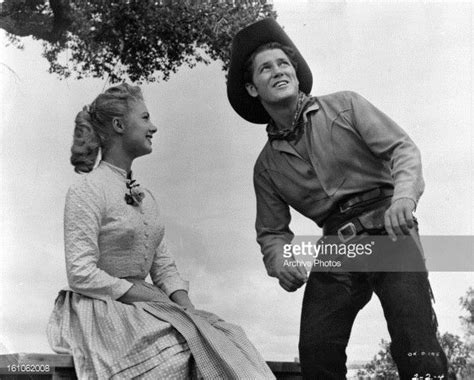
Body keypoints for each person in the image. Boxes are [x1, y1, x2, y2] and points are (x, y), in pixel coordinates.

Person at [227, 18, 448, 379]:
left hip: (388, 228)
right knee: (317, 350)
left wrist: (404, 198)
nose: (278, 71)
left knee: (416, 341)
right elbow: (271, 233)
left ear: (296, 74)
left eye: (284, 63)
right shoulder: (266, 168)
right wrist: (280, 260)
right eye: (266, 68)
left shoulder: (346, 105)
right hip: (337, 246)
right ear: (253, 88)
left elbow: (402, 150)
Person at [47, 83, 275, 380]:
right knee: (180, 352)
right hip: (103, 310)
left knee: (224, 336)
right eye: (144, 118)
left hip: (147, 307)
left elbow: (163, 266)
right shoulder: (87, 190)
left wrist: (189, 312)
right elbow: (80, 272)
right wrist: (139, 293)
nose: (153, 127)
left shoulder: (146, 198)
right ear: (119, 125)